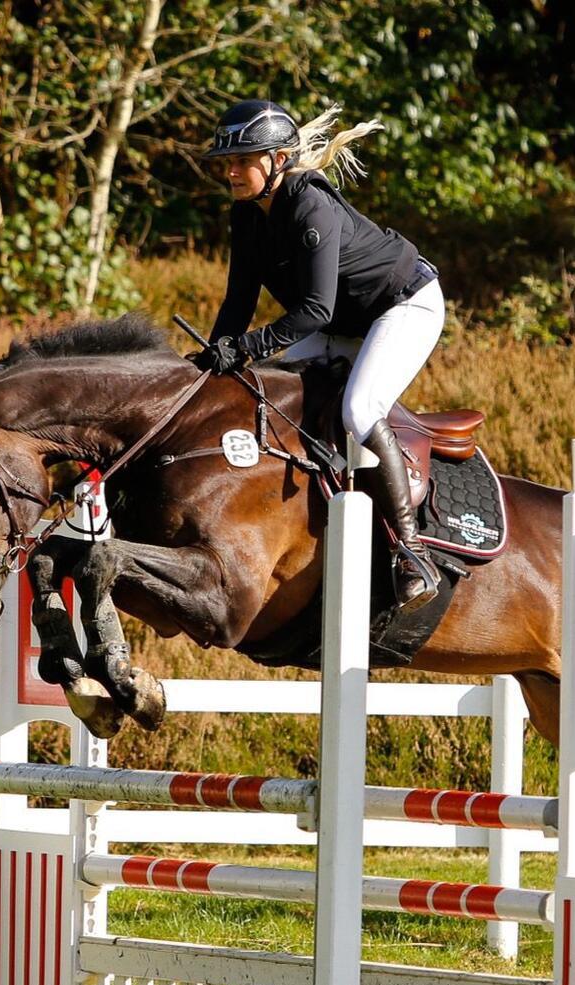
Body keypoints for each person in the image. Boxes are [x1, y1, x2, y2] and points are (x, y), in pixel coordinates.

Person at [195, 98, 444, 611]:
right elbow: (238, 301)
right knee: (276, 398)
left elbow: (313, 311)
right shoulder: (246, 215)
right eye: (228, 163)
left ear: (279, 161)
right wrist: (210, 360)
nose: (232, 172)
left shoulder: (310, 205)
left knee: (358, 411)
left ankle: (411, 552)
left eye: (244, 160)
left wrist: (248, 348)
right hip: (341, 320)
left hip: (401, 306)